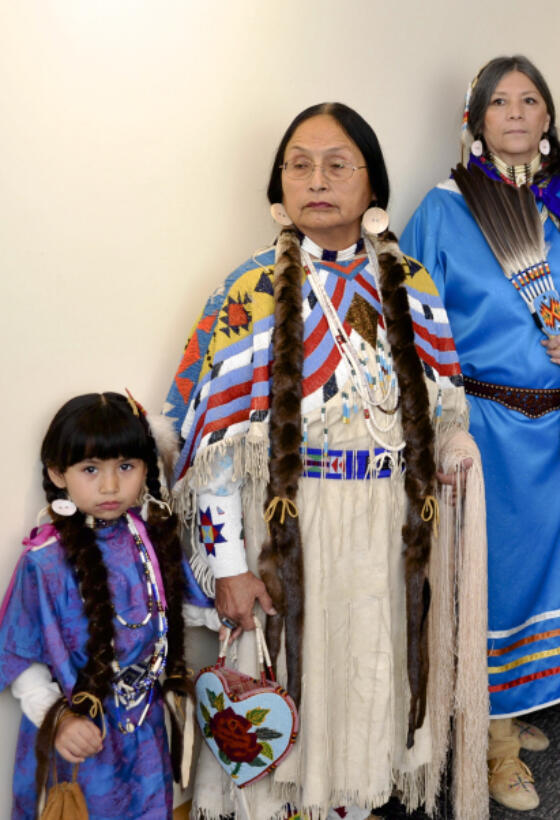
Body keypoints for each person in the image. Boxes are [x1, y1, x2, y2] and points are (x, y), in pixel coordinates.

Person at [164, 103, 480, 819]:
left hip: (384, 530)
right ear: (280, 183)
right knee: (290, 677)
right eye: (299, 164)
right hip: (290, 530)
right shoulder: (250, 291)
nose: (317, 179)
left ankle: (357, 800)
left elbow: (443, 410)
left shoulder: (413, 282)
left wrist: (456, 448)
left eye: (338, 164)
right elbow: (214, 453)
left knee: (369, 672)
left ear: (373, 185)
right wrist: (233, 567)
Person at [404, 56, 560, 811]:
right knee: (493, 576)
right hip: (486, 430)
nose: (515, 113)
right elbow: (411, 329)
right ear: (476, 120)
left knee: (559, 567)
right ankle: (491, 736)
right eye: (499, 102)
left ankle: (518, 704)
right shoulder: (444, 210)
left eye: (530, 100)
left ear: (549, 117)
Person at [0, 392, 214, 819]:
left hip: (143, 729)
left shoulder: (150, 537)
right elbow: (21, 658)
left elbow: (178, 606)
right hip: (80, 734)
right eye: (91, 469)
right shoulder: (44, 561)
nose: (112, 486)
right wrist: (60, 721)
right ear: (59, 473)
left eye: (126, 467)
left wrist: (231, 609)